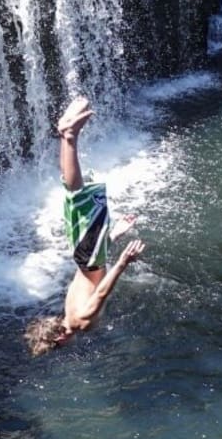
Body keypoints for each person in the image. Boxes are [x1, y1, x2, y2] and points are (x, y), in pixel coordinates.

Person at [25, 97, 147, 356]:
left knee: (76, 193)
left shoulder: (80, 321)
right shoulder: (67, 310)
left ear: (59, 339)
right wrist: (112, 235)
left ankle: (69, 136)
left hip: (89, 254)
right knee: (76, 196)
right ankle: (66, 135)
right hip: (85, 253)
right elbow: (90, 273)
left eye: (57, 348)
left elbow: (101, 291)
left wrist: (124, 261)